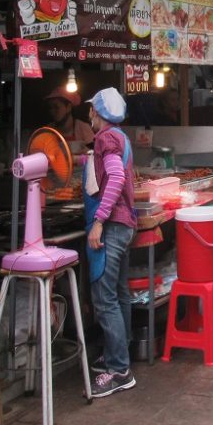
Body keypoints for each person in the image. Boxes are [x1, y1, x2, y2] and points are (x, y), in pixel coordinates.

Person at [82, 87, 137, 398]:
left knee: (105, 299)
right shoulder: (121, 137)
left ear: (98, 112)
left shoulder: (106, 139)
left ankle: (119, 370)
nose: (89, 114)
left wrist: (99, 221)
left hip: (113, 226)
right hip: (125, 224)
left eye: (91, 109)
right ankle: (120, 353)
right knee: (119, 294)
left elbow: (115, 178)